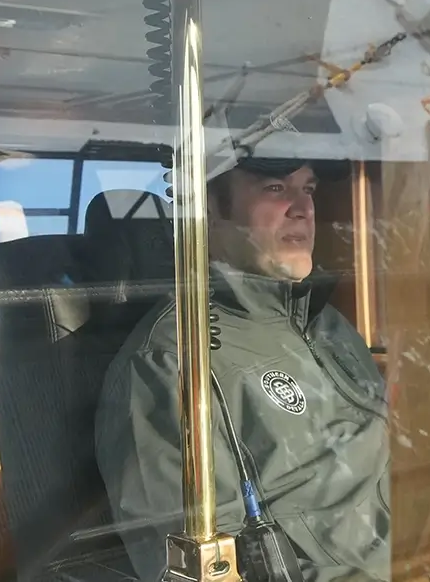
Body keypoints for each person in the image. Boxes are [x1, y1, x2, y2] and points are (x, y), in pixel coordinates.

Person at [94, 158, 390, 582]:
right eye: (275, 188)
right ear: (208, 210)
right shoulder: (173, 361)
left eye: (307, 189)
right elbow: (197, 570)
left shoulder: (328, 324)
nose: (302, 208)